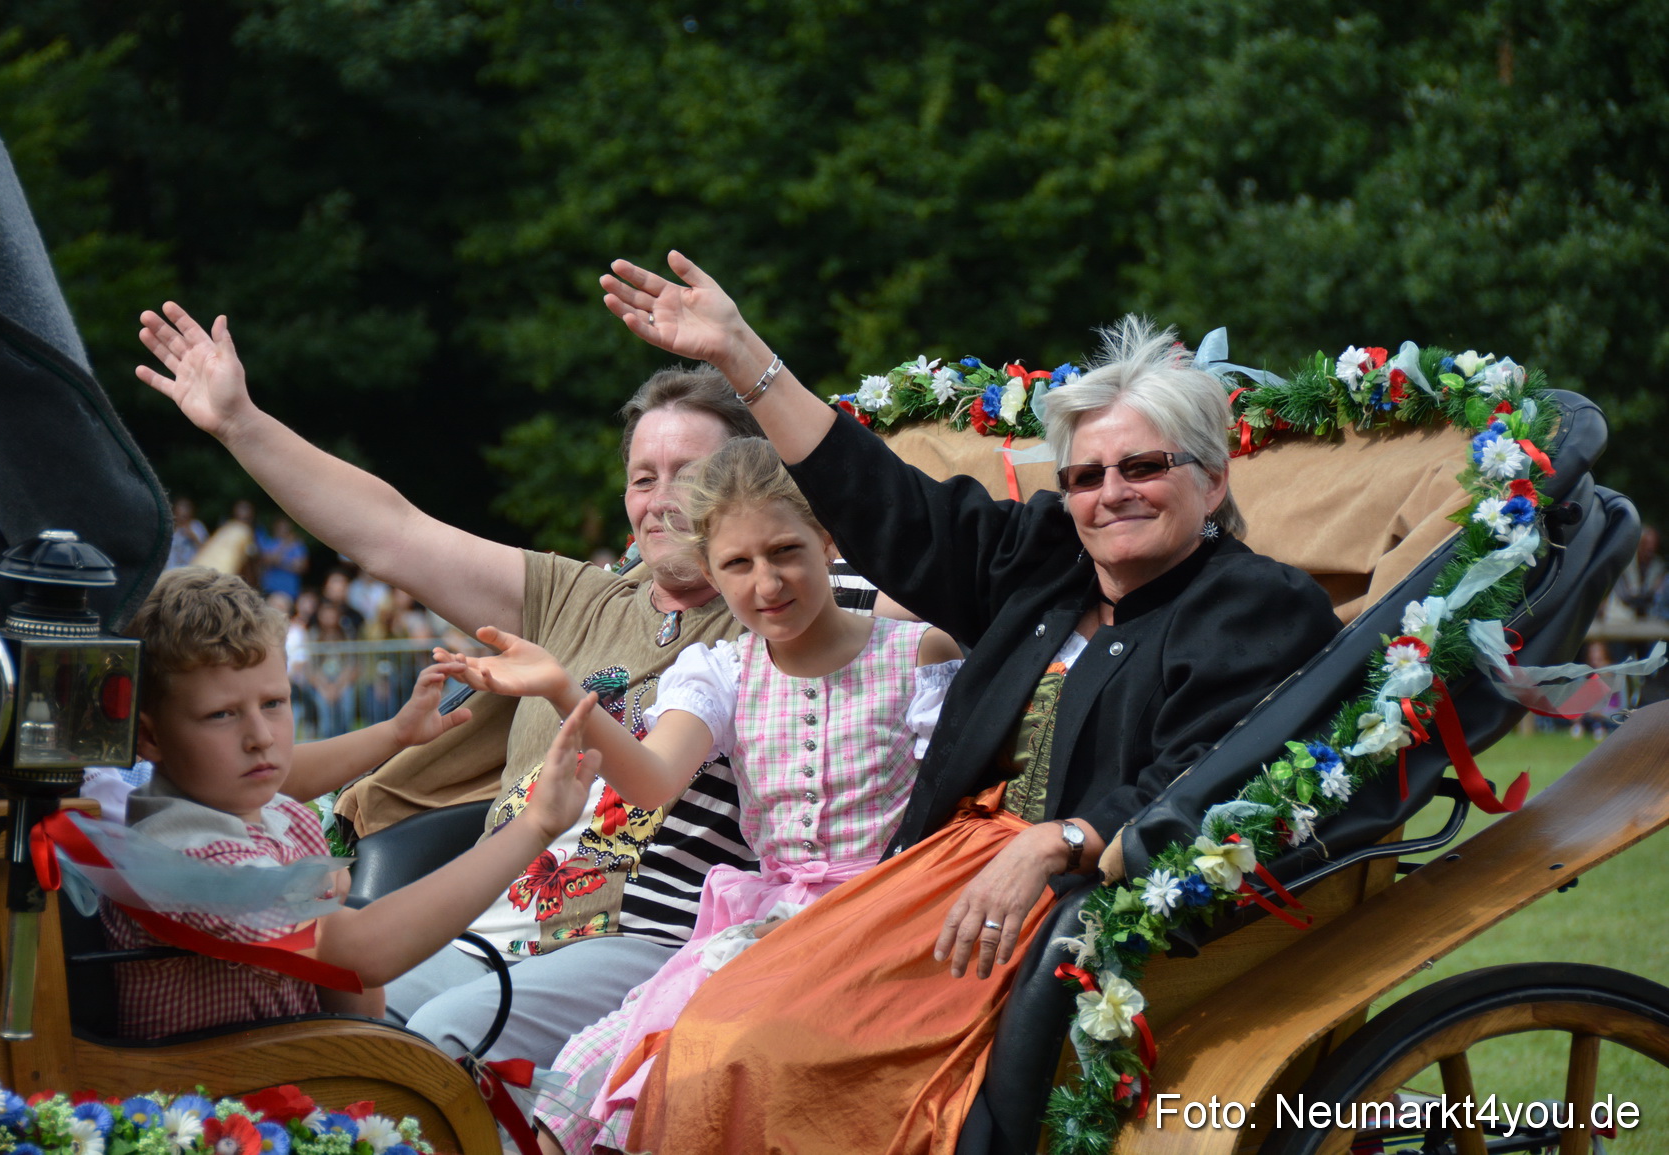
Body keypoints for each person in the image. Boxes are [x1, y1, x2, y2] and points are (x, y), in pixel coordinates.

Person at [593, 252, 1344, 1153]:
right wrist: (740, 352)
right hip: (935, 877)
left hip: (1071, 903)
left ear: (1213, 480)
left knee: (772, 1056)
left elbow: (1212, 763)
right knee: (710, 1033)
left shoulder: (1254, 603)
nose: (1111, 494)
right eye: (1085, 475)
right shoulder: (1047, 564)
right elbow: (892, 506)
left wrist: (1059, 838)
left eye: (1142, 467)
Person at [133, 303, 766, 1069]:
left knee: (428, 1051)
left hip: (641, 937)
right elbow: (391, 531)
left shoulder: (781, 609)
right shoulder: (577, 596)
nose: (661, 497)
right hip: (489, 924)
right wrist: (241, 423)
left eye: (691, 474)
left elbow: (899, 578)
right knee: (352, 1036)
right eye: (642, 476)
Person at [433, 438, 961, 1153]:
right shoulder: (721, 669)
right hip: (766, 922)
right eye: (738, 564)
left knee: (721, 1050)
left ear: (828, 540)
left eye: (785, 552)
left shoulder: (916, 653)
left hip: (882, 919)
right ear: (710, 569)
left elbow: (948, 817)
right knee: (596, 1065)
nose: (767, 582)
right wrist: (563, 687)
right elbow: (651, 779)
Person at [100, 566, 599, 1039]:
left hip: (296, 1069)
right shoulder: (184, 853)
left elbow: (357, 1007)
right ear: (149, 737)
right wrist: (532, 827)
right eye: (220, 715)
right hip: (213, 1103)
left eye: (274, 703)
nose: (259, 738)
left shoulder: (284, 817)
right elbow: (357, 954)